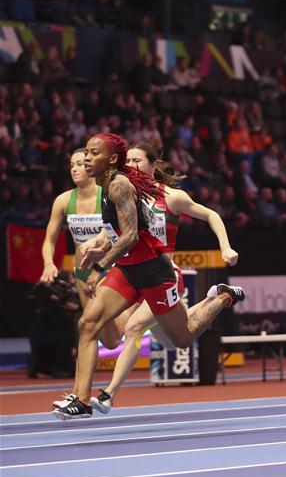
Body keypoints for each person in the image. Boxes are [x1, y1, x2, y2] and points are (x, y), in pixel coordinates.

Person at [51, 133, 244, 420]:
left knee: (182, 338)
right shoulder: (115, 185)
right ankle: (83, 399)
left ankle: (223, 297)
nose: (87, 159)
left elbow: (130, 235)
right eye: (85, 154)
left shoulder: (149, 192)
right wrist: (98, 244)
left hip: (157, 272)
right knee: (88, 323)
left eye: (93, 154)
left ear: (151, 164)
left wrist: (226, 247)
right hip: (128, 268)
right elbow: (119, 228)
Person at [39, 148, 123, 350]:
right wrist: (49, 264)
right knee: (105, 339)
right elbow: (49, 239)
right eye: (71, 165)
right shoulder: (64, 200)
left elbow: (122, 231)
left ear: (92, 167)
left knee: (91, 327)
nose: (74, 169)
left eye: (80, 164)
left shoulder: (108, 195)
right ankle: (83, 382)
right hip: (82, 273)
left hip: (109, 270)